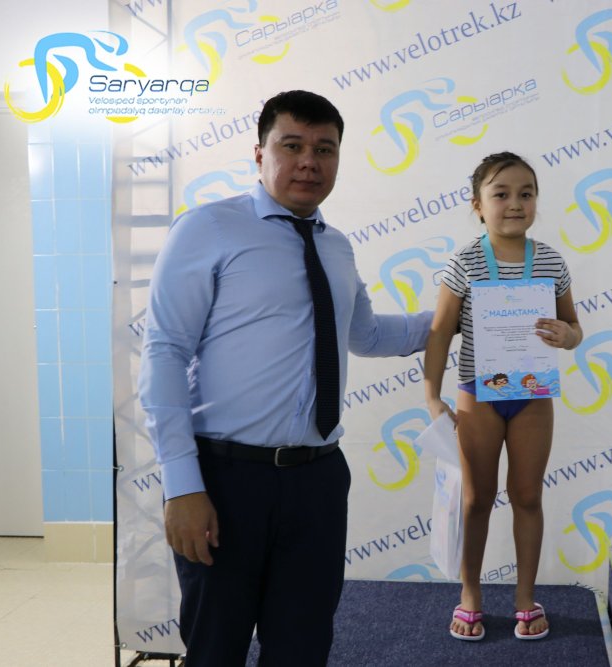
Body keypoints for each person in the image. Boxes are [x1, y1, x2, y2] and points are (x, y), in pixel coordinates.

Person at [138, 90, 432, 666]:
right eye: (292, 146)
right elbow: (165, 352)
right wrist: (182, 485)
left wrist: (457, 316)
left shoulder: (336, 247)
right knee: (215, 649)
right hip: (224, 481)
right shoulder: (207, 229)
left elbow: (370, 335)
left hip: (318, 483)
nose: (308, 162)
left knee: (303, 647)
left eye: (325, 149)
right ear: (259, 153)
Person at [423, 152, 583, 641]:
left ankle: (525, 598)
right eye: (501, 194)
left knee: (528, 496)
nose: (515, 203)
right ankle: (470, 594)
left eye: (526, 194)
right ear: (478, 205)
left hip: (532, 396)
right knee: (476, 499)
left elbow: (574, 327)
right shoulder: (465, 262)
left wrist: (568, 336)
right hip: (478, 396)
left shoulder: (550, 260)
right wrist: (432, 396)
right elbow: (440, 332)